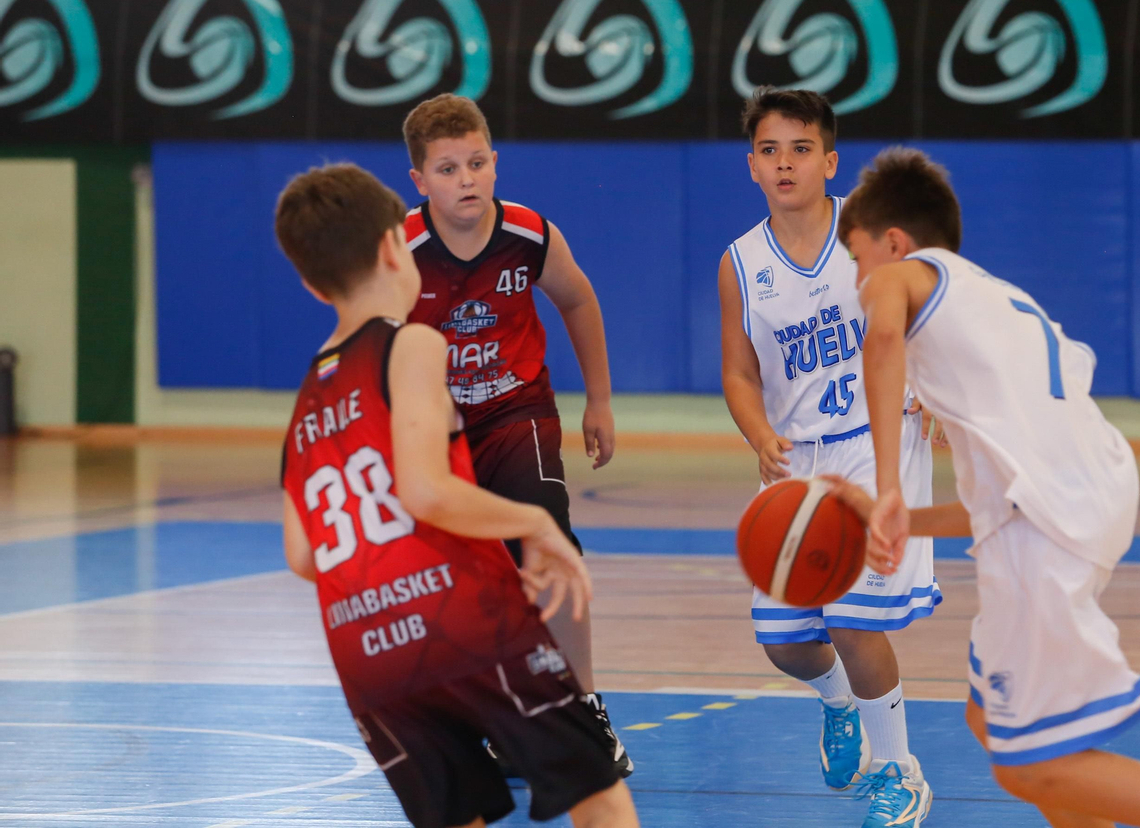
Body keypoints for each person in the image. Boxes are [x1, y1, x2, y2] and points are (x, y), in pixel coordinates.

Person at [829, 146, 1140, 828]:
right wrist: (902, 521)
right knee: (992, 720)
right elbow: (1003, 497)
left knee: (1027, 763)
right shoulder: (998, 304)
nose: (859, 280)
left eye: (859, 258)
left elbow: (883, 337)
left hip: (1047, 520)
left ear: (894, 242)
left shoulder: (900, 278)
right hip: (1077, 493)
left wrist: (887, 484)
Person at [274, 162, 637, 828]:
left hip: (366, 651)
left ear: (308, 281)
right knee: (597, 791)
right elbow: (424, 489)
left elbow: (303, 553)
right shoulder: (409, 342)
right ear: (394, 246)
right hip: (462, 622)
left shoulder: (307, 394)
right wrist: (535, 521)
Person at [718, 88, 939, 828]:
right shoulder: (742, 263)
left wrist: (936, 384)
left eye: (801, 148)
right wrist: (758, 433)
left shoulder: (875, 232)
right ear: (751, 165)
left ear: (830, 160)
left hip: (880, 438)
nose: (786, 163)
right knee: (785, 641)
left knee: (851, 615)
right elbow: (739, 372)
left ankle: (901, 772)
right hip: (798, 459)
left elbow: (934, 310)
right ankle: (840, 702)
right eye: (771, 150)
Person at [400, 94, 628, 774]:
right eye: (447, 168)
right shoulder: (402, 251)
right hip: (438, 435)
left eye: (476, 162)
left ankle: (583, 704)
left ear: (495, 163)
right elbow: (374, 345)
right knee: (457, 580)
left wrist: (600, 400)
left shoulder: (529, 234)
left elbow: (578, 298)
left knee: (546, 539)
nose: (465, 179)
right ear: (419, 181)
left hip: (516, 413)